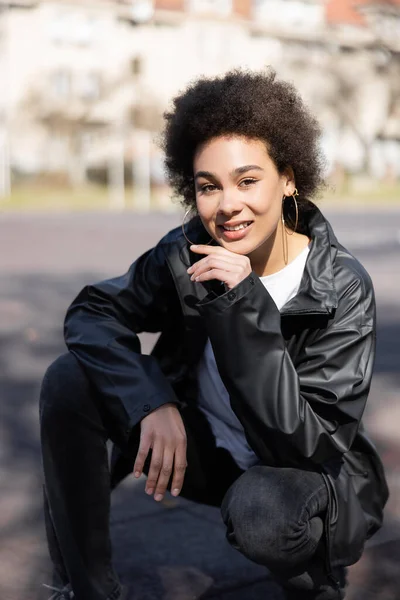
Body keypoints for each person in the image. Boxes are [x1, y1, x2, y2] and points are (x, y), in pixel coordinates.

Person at [39, 69, 389, 600]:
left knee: (262, 512)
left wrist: (242, 304)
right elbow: (92, 312)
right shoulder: (187, 252)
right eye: (209, 186)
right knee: (69, 379)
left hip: (293, 475)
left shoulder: (342, 286)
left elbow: (307, 442)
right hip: (207, 451)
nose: (227, 205)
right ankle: (87, 590)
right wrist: (152, 401)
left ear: (288, 178)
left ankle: (315, 582)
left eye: (248, 180)